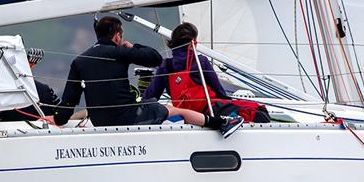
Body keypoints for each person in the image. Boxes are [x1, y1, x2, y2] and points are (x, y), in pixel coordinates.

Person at [53, 16, 244, 137]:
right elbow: (154, 58)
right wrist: (132, 47)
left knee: (152, 104)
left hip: (101, 121)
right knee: (174, 110)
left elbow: (69, 100)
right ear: (118, 36)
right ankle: (222, 124)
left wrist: (59, 120)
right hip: (127, 118)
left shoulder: (79, 61)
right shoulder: (119, 52)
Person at [143, 22, 271, 123]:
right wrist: (228, 102)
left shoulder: (166, 65)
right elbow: (219, 91)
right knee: (259, 112)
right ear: (194, 42)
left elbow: (150, 96)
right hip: (208, 110)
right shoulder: (201, 61)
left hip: (184, 113)